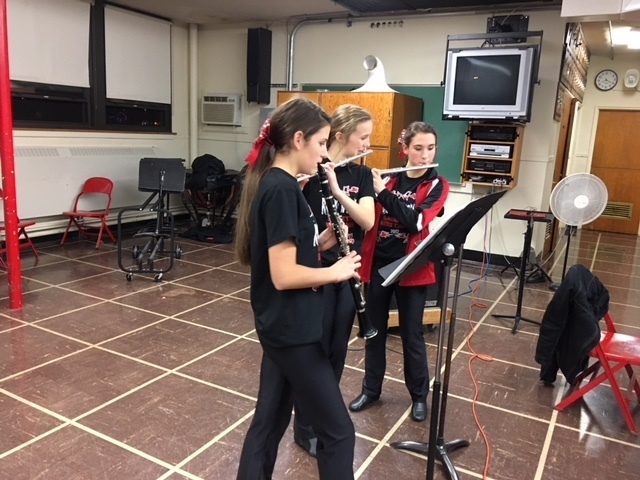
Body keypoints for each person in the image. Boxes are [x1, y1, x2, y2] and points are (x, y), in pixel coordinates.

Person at [235, 97, 360, 480]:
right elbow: (283, 275)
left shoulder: (282, 185)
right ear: (300, 139)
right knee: (339, 433)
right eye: (322, 143)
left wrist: (319, 244)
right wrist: (336, 271)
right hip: (293, 332)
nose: (325, 154)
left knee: (268, 426)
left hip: (282, 327)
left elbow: (287, 251)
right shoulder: (282, 189)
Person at [348, 121, 449, 422]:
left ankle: (419, 396)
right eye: (418, 148)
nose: (425, 155)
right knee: (374, 331)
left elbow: (415, 221)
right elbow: (366, 216)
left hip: (411, 270)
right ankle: (371, 389)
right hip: (378, 266)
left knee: (412, 335)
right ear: (405, 148)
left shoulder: (436, 185)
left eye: (430, 148)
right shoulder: (388, 180)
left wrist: (380, 194)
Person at [294, 104, 376, 457]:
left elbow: (368, 221)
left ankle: (325, 419)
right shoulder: (308, 172)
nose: (367, 144)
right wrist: (302, 185)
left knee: (337, 353)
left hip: (348, 273)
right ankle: (304, 427)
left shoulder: (360, 174)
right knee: (314, 354)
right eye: (363, 137)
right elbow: (297, 229)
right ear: (340, 136)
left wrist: (338, 190)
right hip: (315, 274)